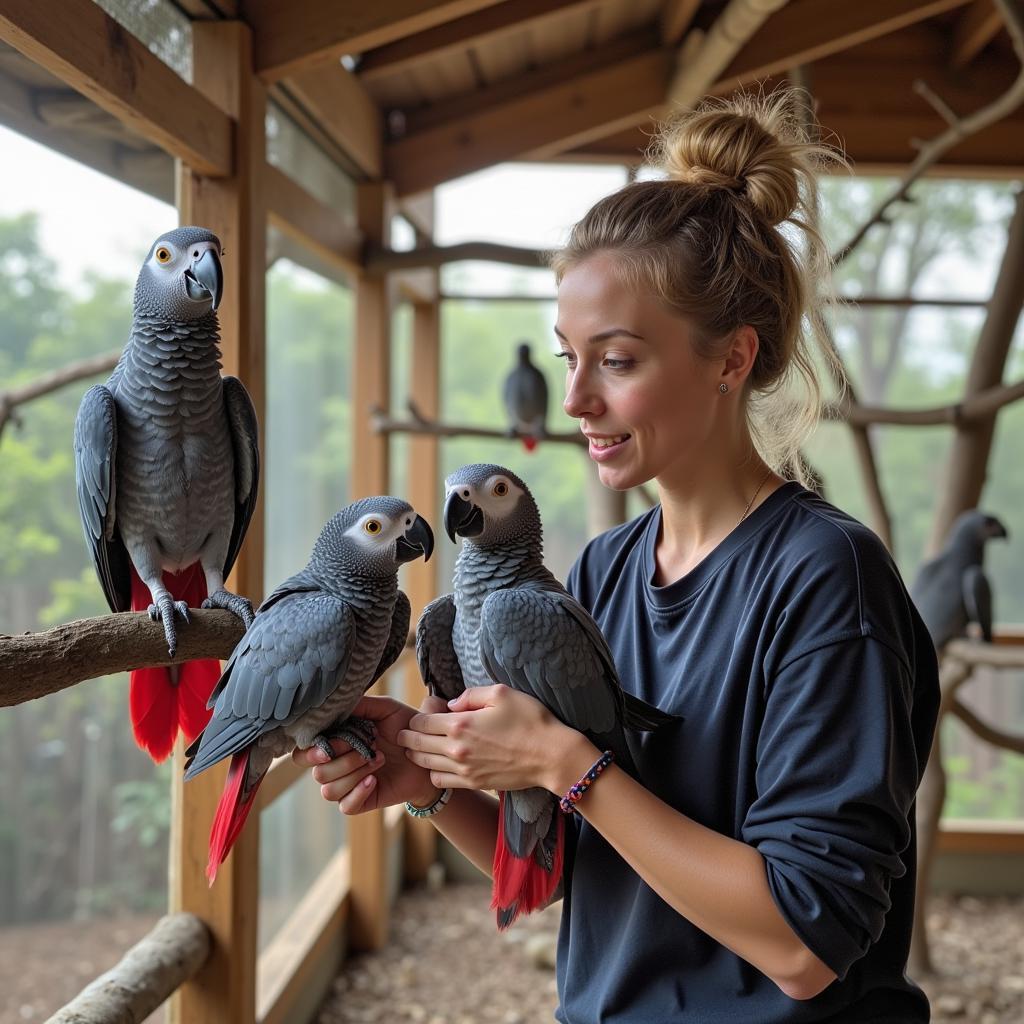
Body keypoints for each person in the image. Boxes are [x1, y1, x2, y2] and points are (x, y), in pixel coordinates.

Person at [294, 90, 940, 1022]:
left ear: (731, 359)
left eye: (619, 360)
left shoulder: (825, 578)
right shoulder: (597, 575)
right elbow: (580, 867)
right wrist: (426, 785)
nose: (575, 402)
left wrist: (568, 765)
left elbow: (808, 942)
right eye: (567, 357)